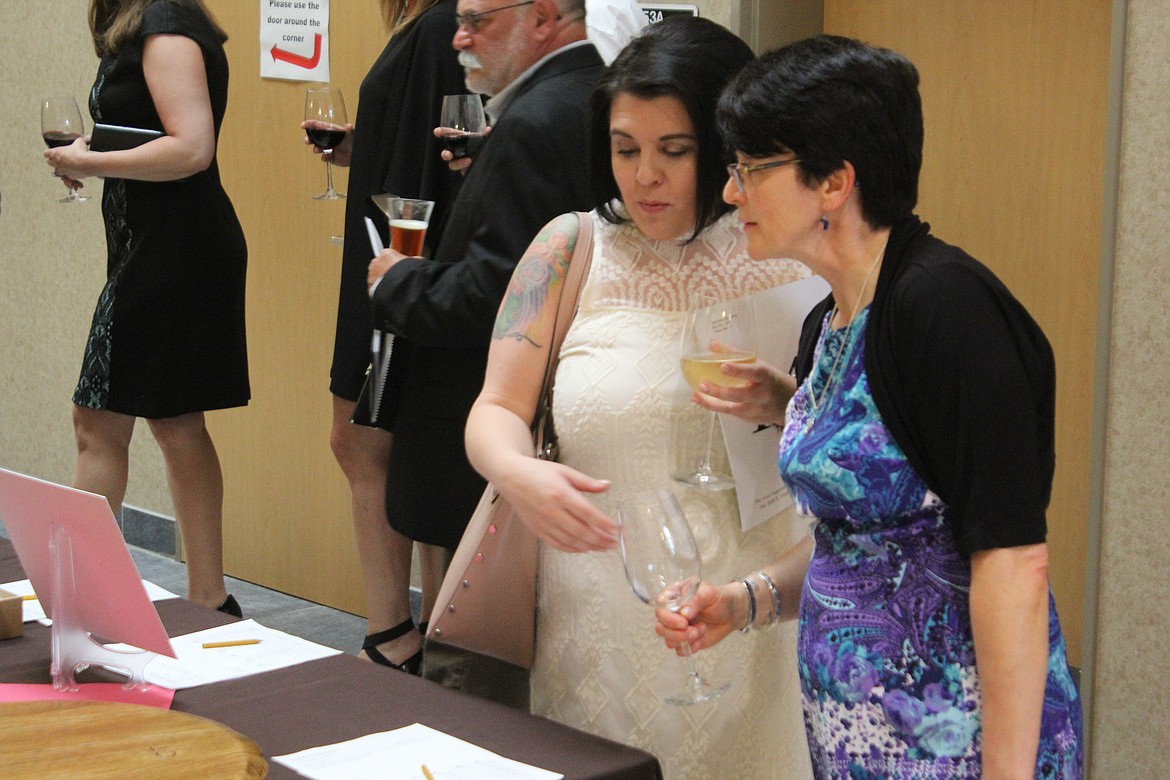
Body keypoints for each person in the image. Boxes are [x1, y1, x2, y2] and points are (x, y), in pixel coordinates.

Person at [656, 35, 1084, 778]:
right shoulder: (827, 324)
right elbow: (859, 548)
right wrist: (740, 601)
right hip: (856, 736)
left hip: (963, 743)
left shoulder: (946, 307)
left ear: (834, 182)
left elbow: (1013, 561)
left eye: (751, 169)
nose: (731, 192)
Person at [464, 17, 814, 778]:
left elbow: (851, 431)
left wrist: (785, 401)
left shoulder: (785, 251)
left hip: (746, 613)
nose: (645, 177)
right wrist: (520, 474)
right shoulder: (568, 248)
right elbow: (494, 409)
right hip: (596, 612)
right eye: (626, 150)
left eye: (674, 152)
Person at [365, 0, 605, 687]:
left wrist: (399, 284)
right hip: (568, 404)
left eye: (476, 21)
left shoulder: (532, 121)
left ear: (543, 18)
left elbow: (498, 298)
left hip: (498, 412)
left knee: (481, 679)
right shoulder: (592, 93)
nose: (459, 38)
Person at [44, 0, 248, 613]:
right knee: (176, 421)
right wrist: (95, 147)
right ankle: (210, 600)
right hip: (156, 244)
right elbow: (152, 130)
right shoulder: (146, 24)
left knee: (97, 421)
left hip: (176, 249)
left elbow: (192, 150)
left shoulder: (165, 26)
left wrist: (90, 161)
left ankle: (79, 605)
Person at [304, 0, 465, 674]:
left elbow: (430, 160)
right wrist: (358, 146)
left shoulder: (439, 24)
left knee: (365, 438)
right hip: (396, 250)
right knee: (393, 441)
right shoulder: (431, 23)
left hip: (397, 252)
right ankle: (415, 627)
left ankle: (393, 634)